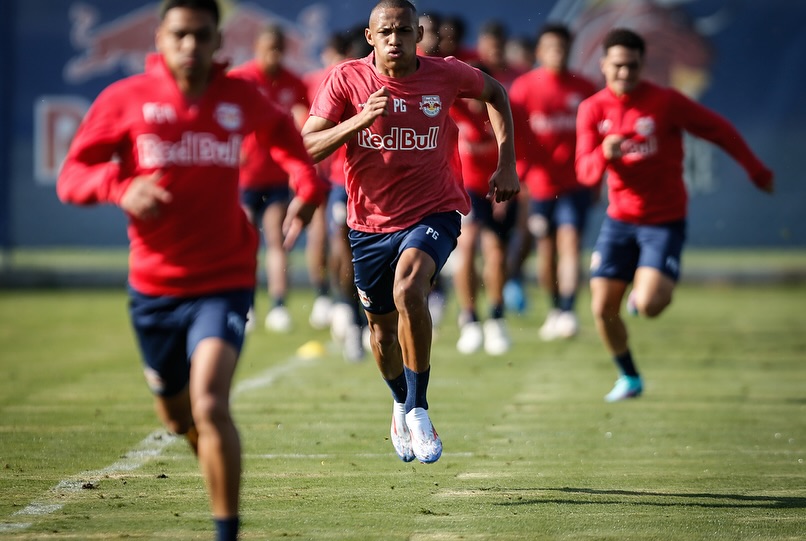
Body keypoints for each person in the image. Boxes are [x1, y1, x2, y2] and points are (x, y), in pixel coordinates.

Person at [56, 1, 325, 539]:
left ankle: (227, 530)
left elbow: (290, 145)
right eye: (179, 35)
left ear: (216, 39)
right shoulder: (125, 100)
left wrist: (309, 187)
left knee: (209, 402)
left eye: (202, 36)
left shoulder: (239, 97)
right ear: (159, 37)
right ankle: (208, 457)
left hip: (224, 280)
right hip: (153, 289)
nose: (190, 47)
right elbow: (72, 177)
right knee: (179, 419)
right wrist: (119, 186)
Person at [301, 0, 519, 463]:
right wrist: (360, 119)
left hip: (434, 210)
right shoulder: (346, 80)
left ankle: (419, 408)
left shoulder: (446, 73)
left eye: (403, 31)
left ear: (418, 35)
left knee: (410, 289)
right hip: (369, 223)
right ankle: (400, 400)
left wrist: (506, 163)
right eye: (386, 33)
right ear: (370, 37)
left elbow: (496, 93)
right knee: (380, 334)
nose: (394, 40)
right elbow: (308, 145)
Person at [575, 28, 774, 402]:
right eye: (617, 66)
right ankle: (630, 377)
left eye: (632, 66)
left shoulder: (665, 102)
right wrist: (605, 153)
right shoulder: (592, 109)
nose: (624, 73)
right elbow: (585, 173)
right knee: (602, 307)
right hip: (619, 220)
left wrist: (755, 168)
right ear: (603, 65)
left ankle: (644, 291)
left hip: (663, 220)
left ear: (642, 65)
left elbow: (718, 129)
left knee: (650, 306)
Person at [229, 24, 321, 334]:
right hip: (244, 178)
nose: (275, 56)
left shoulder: (293, 82)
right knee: (244, 244)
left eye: (280, 50)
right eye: (269, 49)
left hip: (279, 177)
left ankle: (279, 305)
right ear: (257, 49)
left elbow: (313, 116)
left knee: (276, 239)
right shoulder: (241, 79)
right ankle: (247, 306)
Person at [509, 24, 597, 341]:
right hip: (538, 188)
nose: (557, 54)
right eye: (551, 48)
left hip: (575, 185)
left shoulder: (585, 88)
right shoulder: (523, 89)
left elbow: (596, 138)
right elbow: (513, 138)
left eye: (562, 48)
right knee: (546, 252)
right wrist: (519, 177)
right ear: (539, 52)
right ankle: (555, 307)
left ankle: (569, 311)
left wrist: (596, 179)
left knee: (570, 243)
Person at [450, 87, 518, 356]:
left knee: (496, 253)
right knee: (466, 247)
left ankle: (496, 317)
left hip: (496, 192)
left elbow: (515, 156)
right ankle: (469, 319)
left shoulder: (500, 114)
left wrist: (509, 193)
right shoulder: (452, 110)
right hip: (465, 191)